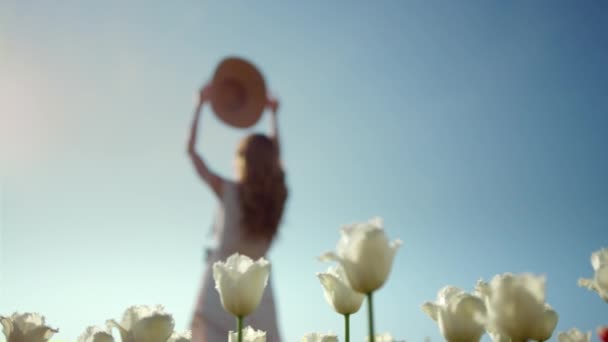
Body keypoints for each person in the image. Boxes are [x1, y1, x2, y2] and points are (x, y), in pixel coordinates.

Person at [187, 84, 287, 342]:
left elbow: (192, 153)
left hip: (220, 286)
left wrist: (199, 105)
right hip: (259, 291)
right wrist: (273, 115)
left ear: (242, 159)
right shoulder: (276, 198)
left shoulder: (228, 190)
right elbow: (276, 152)